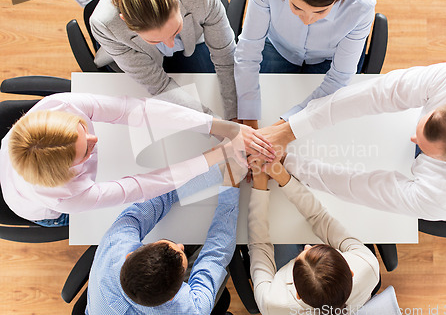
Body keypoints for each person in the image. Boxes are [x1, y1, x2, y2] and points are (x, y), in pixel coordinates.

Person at [259, 63, 446, 222]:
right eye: (421, 129)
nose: (413, 139)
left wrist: (289, 164)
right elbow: (379, 93)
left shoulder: (445, 199)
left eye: (424, 147)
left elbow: (359, 186)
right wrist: (291, 129)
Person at [0, 93, 274, 226]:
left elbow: (137, 111)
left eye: (84, 130)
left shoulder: (59, 106)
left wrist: (221, 127)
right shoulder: (65, 196)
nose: (96, 141)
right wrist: (218, 154)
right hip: (31, 205)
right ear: (68, 171)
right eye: (84, 153)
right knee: (91, 225)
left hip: (14, 152)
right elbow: (142, 186)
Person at [86, 163, 241, 315]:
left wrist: (218, 170)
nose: (181, 246)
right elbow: (215, 256)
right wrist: (231, 184)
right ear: (174, 296)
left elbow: (159, 198)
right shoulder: (191, 311)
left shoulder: (114, 244)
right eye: (182, 252)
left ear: (129, 255)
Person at [234, 0, 376, 128]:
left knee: (323, 125)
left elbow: (339, 78)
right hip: (278, 45)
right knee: (270, 100)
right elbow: (248, 51)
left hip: (329, 57)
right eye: (296, 7)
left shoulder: (361, 4)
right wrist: (249, 122)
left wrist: (280, 130)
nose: (307, 20)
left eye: (320, 12)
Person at [90, 0, 238, 120]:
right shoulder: (104, 25)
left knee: (208, 85)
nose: (170, 44)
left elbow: (226, 58)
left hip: (192, 40)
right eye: (155, 40)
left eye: (175, 31)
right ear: (125, 22)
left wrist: (234, 116)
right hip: (136, 53)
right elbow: (159, 86)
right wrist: (215, 124)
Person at [248, 157, 379, 315]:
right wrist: (282, 176)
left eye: (300, 257)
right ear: (350, 271)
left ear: (298, 295)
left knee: (280, 229)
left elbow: (259, 244)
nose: (307, 246)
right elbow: (320, 217)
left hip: (283, 278)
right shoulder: (367, 265)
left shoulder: (272, 304)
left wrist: (259, 185)